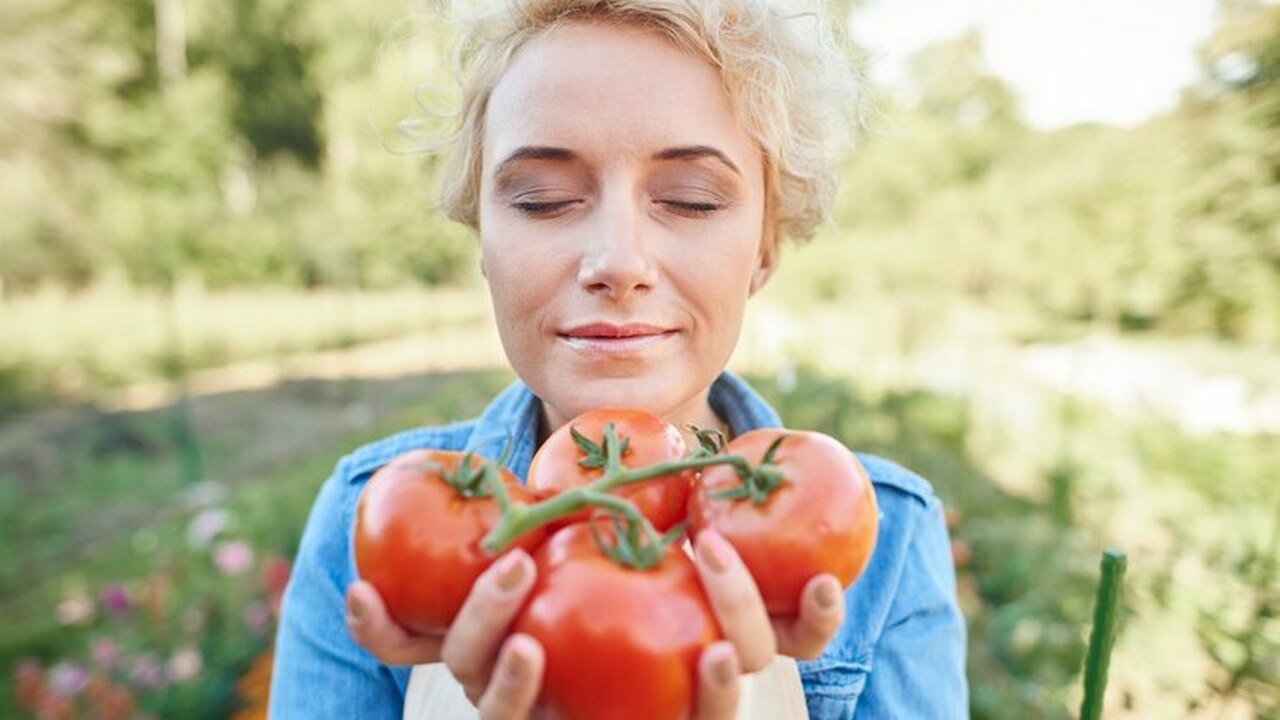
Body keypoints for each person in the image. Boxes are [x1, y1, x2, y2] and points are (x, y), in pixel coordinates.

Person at [269, 0, 968, 718]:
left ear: (765, 248)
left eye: (692, 200)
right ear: (482, 237)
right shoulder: (372, 517)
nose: (618, 261)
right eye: (543, 200)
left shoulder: (884, 537)